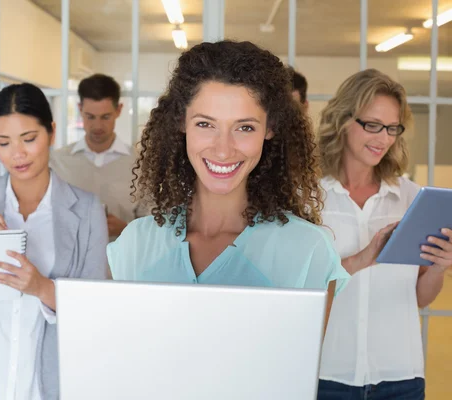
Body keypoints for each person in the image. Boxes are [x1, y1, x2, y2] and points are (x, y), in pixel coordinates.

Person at [107, 40, 349, 319]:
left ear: (269, 129)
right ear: (180, 123)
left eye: (245, 127)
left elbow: (303, 362)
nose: (223, 149)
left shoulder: (308, 250)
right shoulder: (136, 243)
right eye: (205, 124)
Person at [0, 83, 108, 399]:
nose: (17, 154)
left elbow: (94, 310)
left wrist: (41, 287)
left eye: (29, 139)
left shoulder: (86, 209)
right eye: (3, 143)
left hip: (52, 383)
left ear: (51, 132)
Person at [317, 69, 451, 399]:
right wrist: (363, 259)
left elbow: (419, 296)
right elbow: (299, 288)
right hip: (327, 373)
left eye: (392, 128)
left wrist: (439, 266)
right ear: (343, 120)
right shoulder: (310, 197)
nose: (383, 138)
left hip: (401, 376)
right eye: (372, 125)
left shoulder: (411, 198)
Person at [50, 73, 146, 240]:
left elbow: (155, 226)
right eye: (90, 117)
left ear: (119, 110)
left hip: (123, 263)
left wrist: (126, 229)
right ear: (80, 110)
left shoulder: (141, 164)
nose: (97, 126)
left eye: (105, 117)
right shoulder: (57, 162)